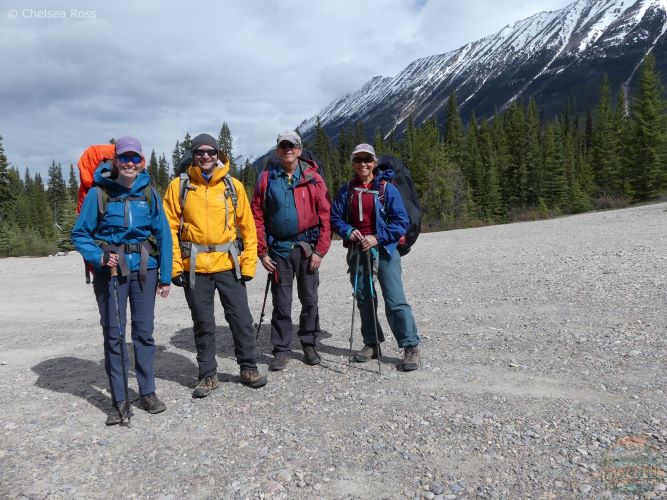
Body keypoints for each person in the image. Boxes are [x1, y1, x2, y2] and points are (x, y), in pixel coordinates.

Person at [72, 136, 172, 425]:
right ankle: (118, 399)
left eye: (135, 158)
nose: (130, 163)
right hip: (110, 272)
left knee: (144, 333)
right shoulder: (99, 193)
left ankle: (147, 392)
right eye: (124, 158)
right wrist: (98, 257)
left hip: (145, 271)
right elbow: (80, 233)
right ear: (115, 161)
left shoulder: (149, 193)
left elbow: (163, 235)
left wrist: (165, 277)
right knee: (114, 334)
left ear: (142, 162)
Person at [163, 133, 267, 397]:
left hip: (228, 263)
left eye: (210, 152)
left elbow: (248, 229)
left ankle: (248, 368)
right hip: (194, 266)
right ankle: (208, 375)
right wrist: (175, 267)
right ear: (193, 155)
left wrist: (248, 265)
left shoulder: (233, 186)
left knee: (242, 320)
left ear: (218, 154)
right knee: (203, 323)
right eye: (200, 152)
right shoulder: (179, 186)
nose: (205, 156)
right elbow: (169, 230)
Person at [330, 144, 421, 371]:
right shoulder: (347, 191)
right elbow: (335, 217)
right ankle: (372, 343)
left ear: (374, 162)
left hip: (385, 250)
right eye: (358, 159)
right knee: (364, 298)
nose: (363, 164)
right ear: (352, 163)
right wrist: (348, 231)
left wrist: (377, 238)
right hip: (358, 250)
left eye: (367, 160)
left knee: (395, 299)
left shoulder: (386, 189)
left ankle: (410, 346)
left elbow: (401, 221)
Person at [251, 131, 331, 371]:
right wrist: (262, 252)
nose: (288, 149)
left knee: (310, 300)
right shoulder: (267, 178)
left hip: (307, 249)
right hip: (279, 250)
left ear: (299, 149)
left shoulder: (313, 177)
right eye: (283, 145)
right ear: (278, 150)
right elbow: (257, 215)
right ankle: (281, 349)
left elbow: (325, 215)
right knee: (282, 303)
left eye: (292, 145)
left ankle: (309, 344)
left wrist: (320, 251)